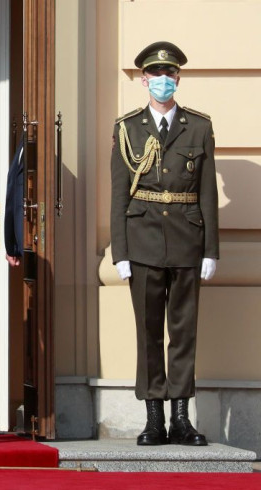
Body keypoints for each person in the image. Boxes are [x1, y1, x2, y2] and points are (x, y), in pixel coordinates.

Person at [110, 41, 218, 446]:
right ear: (143, 80)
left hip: (188, 240)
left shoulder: (200, 126)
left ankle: (181, 418)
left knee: (184, 331)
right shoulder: (127, 128)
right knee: (149, 331)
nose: (162, 81)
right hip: (142, 241)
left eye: (169, 75)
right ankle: (154, 417)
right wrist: (120, 252)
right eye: (155, 75)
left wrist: (211, 249)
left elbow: (206, 191)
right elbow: (119, 195)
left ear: (178, 79)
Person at [4, 137, 25, 267]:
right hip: (24, 246)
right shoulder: (24, 139)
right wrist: (12, 246)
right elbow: (14, 194)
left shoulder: (39, 138)